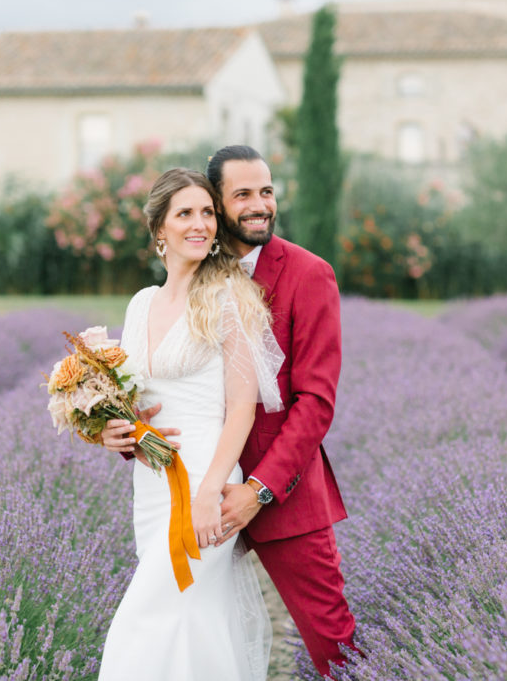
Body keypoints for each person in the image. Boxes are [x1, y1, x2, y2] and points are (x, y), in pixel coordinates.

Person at [103, 146, 356, 677]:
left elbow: (315, 402)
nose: (260, 204)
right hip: (173, 485)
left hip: (275, 492)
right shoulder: (151, 299)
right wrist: (122, 434)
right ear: (216, 203)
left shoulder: (309, 275)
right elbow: (145, 395)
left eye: (267, 191)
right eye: (242, 195)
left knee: (332, 643)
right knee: (185, 621)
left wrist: (257, 490)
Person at [98, 168, 286, 681]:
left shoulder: (228, 300)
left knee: (149, 615)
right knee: (186, 618)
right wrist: (114, 431)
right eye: (185, 214)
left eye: (207, 212)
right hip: (152, 485)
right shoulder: (141, 304)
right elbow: (131, 399)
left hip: (205, 481)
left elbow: (242, 409)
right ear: (159, 229)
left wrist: (210, 493)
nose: (201, 224)